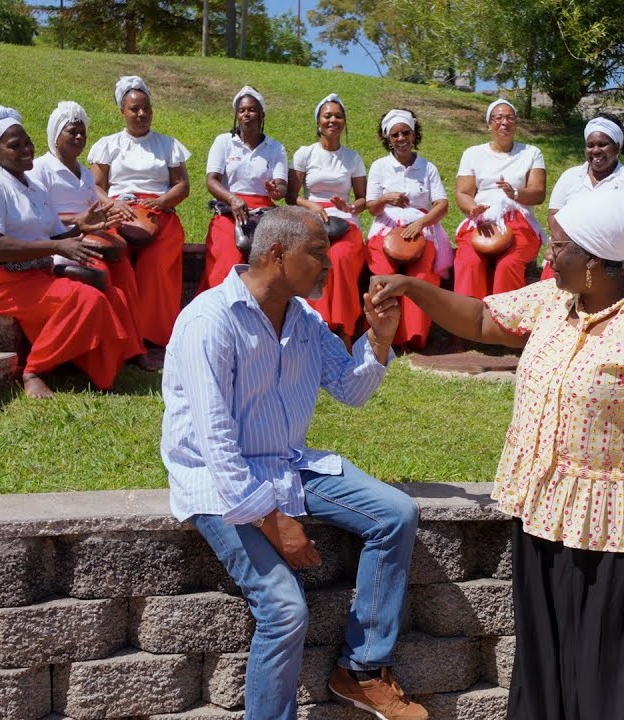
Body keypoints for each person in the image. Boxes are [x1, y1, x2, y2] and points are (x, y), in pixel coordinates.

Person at [371, 188, 624, 720]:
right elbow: (482, 320)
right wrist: (413, 287)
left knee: (620, 665)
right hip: (548, 511)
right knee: (552, 652)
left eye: (559, 246)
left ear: (597, 261)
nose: (547, 256)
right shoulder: (554, 302)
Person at [161, 206, 428, 720]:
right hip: (218, 481)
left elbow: (350, 389)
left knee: (396, 514)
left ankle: (362, 669)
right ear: (278, 254)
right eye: (318, 254)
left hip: (286, 463)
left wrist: (379, 338)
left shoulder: (303, 319)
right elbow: (214, 439)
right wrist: (271, 519)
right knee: (285, 610)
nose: (328, 265)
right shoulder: (208, 320)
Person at [0, 105, 137, 398]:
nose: (26, 149)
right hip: (0, 282)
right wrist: (57, 246)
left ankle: (87, 366)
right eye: (14, 145)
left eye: (27, 142)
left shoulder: (33, 185)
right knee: (85, 299)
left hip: (37, 274)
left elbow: (56, 235)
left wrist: (81, 227)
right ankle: (34, 370)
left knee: (113, 294)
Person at [30, 100, 154, 371]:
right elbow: (38, 218)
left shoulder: (85, 174)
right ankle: (108, 352)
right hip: (61, 243)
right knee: (102, 271)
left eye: (82, 132)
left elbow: (93, 211)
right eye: (71, 132)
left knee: (125, 271)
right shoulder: (40, 170)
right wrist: (78, 222)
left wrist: (107, 219)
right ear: (55, 135)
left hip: (89, 238)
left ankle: (135, 347)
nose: (78, 137)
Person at [88, 75, 192, 349]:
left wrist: (162, 200)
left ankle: (153, 336)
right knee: (115, 259)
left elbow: (182, 185)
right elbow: (95, 186)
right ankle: (117, 334)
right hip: (118, 212)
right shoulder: (109, 144)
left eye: (146, 108)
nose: (141, 114)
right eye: (134, 109)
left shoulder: (167, 145)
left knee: (155, 264)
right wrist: (113, 204)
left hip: (158, 213)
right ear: (122, 111)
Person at [365, 108, 450, 351]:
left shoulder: (427, 167)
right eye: (395, 135)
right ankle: (386, 335)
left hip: (421, 229)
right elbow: (372, 208)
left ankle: (415, 337)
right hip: (386, 230)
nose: (401, 138)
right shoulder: (380, 166)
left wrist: (420, 224)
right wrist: (386, 198)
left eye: (405, 133)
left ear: (413, 134)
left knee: (422, 277)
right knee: (383, 275)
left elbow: (442, 205)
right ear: (388, 139)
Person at [287, 93, 368, 348]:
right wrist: (311, 205)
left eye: (338, 116)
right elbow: (291, 196)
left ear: (344, 122)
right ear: (318, 121)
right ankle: (314, 324)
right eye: (327, 116)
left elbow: (363, 199)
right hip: (311, 219)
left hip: (343, 220)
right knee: (313, 258)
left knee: (341, 258)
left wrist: (351, 207)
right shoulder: (305, 154)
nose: (333, 120)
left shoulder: (352, 158)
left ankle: (345, 329)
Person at [452, 98, 547, 300]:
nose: (505, 122)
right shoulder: (472, 154)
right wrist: (473, 208)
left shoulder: (531, 153)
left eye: (510, 118)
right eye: (499, 118)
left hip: (518, 220)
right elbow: (463, 193)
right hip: (481, 219)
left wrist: (515, 194)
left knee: (508, 264)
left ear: (516, 124)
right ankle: (467, 316)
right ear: (489, 124)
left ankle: (503, 318)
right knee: (469, 262)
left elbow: (538, 192)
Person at [198, 86, 288, 292]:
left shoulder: (275, 148)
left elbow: (282, 186)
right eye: (242, 110)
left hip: (264, 216)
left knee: (271, 263)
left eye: (252, 110)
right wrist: (232, 199)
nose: (246, 114)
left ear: (262, 115)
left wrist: (276, 189)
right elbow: (211, 180)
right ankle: (221, 305)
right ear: (237, 115)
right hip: (230, 212)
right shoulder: (224, 142)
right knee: (228, 259)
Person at [543, 116, 624, 280]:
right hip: (568, 253)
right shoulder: (570, 176)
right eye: (590, 145)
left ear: (617, 147)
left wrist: (596, 250)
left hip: (614, 260)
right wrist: (572, 248)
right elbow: (554, 215)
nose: (595, 150)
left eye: (602, 144)